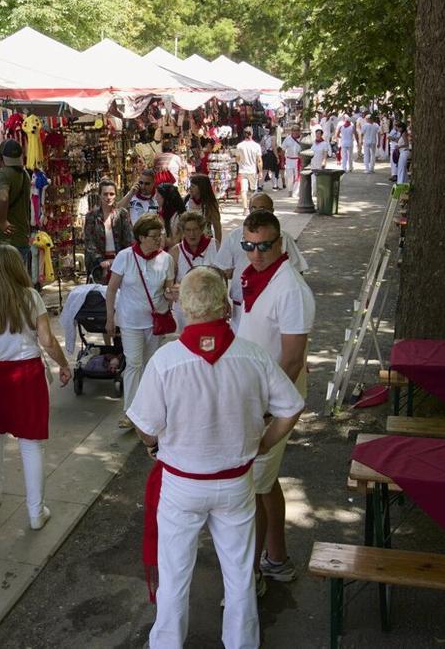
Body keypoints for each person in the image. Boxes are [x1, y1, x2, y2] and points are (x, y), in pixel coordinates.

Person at [130, 266, 304, 649]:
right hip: (234, 481)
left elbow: (145, 425)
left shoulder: (166, 361)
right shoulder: (252, 356)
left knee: (175, 576)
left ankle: (167, 644)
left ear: (185, 309)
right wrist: (265, 443)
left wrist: (152, 445)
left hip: (181, 483)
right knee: (240, 575)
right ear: (226, 307)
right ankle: (241, 644)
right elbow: (291, 406)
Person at [216, 211, 314, 594]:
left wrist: (262, 406)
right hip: (256, 395)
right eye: (248, 245)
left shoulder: (290, 289)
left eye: (263, 246)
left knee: (252, 489)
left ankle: (250, 577)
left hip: (270, 403)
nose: (255, 253)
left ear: (281, 244)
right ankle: (276, 559)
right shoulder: (255, 277)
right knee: (265, 483)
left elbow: (292, 358)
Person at [0, 246, 70, 530]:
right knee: (31, 445)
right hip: (26, 375)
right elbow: (47, 340)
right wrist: (64, 364)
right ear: (18, 266)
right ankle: (35, 512)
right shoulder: (31, 297)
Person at [106, 213, 175, 429]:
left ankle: (149, 409)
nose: (158, 239)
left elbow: (168, 289)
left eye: (160, 235)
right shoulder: (125, 257)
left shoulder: (166, 259)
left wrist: (172, 294)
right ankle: (131, 412)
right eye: (154, 236)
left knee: (150, 365)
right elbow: (111, 289)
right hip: (130, 321)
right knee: (134, 363)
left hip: (156, 321)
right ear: (141, 237)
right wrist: (110, 317)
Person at [0, 139, 33, 273]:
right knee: (18, 283)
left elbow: (3, 197)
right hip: (21, 237)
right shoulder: (24, 174)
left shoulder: (4, 174)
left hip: (6, 242)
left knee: (5, 285)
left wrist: (2, 221)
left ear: (1, 157)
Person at [170, 211, 218, 329]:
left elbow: (221, 277)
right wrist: (171, 291)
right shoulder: (176, 251)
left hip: (210, 306)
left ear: (202, 229)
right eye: (188, 230)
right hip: (185, 308)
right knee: (188, 343)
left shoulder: (214, 245)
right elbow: (169, 282)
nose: (192, 234)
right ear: (183, 231)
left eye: (196, 229)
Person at [83, 179, 133, 283]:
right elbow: (89, 242)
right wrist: (101, 261)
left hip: (120, 262)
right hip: (98, 266)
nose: (108, 197)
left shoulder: (122, 214)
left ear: (115, 195)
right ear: (99, 195)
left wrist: (120, 260)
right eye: (105, 194)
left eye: (111, 194)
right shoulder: (91, 216)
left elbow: (129, 240)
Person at [247, 194, 308, 273]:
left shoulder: (285, 237)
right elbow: (227, 271)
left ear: (272, 211)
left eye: (262, 208)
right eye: (253, 208)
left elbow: (298, 268)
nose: (257, 212)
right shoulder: (234, 237)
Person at [187, 173, 224, 241]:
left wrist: (217, 246)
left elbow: (217, 227)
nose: (190, 188)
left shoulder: (210, 204)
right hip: (188, 241)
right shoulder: (186, 200)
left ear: (201, 188)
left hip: (205, 242)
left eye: (193, 186)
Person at [234, 127, 263, 209]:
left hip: (242, 170)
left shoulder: (239, 146)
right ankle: (253, 207)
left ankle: (245, 209)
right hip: (252, 171)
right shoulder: (256, 146)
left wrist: (240, 163)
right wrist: (260, 171)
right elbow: (259, 160)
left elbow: (237, 158)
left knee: (244, 190)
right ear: (252, 134)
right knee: (253, 190)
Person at [281, 125, 304, 195]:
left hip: (298, 160)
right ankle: (290, 190)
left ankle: (295, 192)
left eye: (297, 130)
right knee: (289, 176)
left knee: (298, 177)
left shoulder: (302, 139)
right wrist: (282, 161)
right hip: (289, 160)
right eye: (294, 130)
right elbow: (283, 150)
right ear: (292, 131)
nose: (296, 132)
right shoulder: (287, 139)